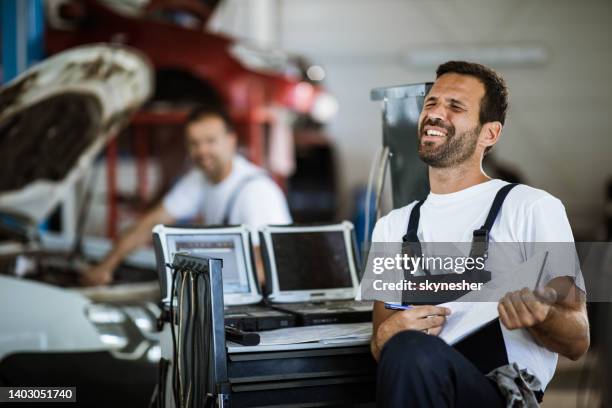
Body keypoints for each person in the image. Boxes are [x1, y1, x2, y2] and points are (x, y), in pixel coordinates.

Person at [368, 61, 589, 407]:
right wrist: (385, 336)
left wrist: (542, 314)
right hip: (421, 381)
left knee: (414, 352)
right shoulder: (393, 227)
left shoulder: (531, 208)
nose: (436, 113)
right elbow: (380, 340)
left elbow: (578, 340)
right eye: (431, 104)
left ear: (490, 134)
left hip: (499, 394)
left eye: (455, 106)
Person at [82, 105, 292, 286]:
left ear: (231, 141)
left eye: (211, 141)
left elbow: (269, 265)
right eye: (194, 143)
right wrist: (105, 266)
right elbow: (150, 223)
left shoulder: (255, 192)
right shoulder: (199, 178)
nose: (202, 151)